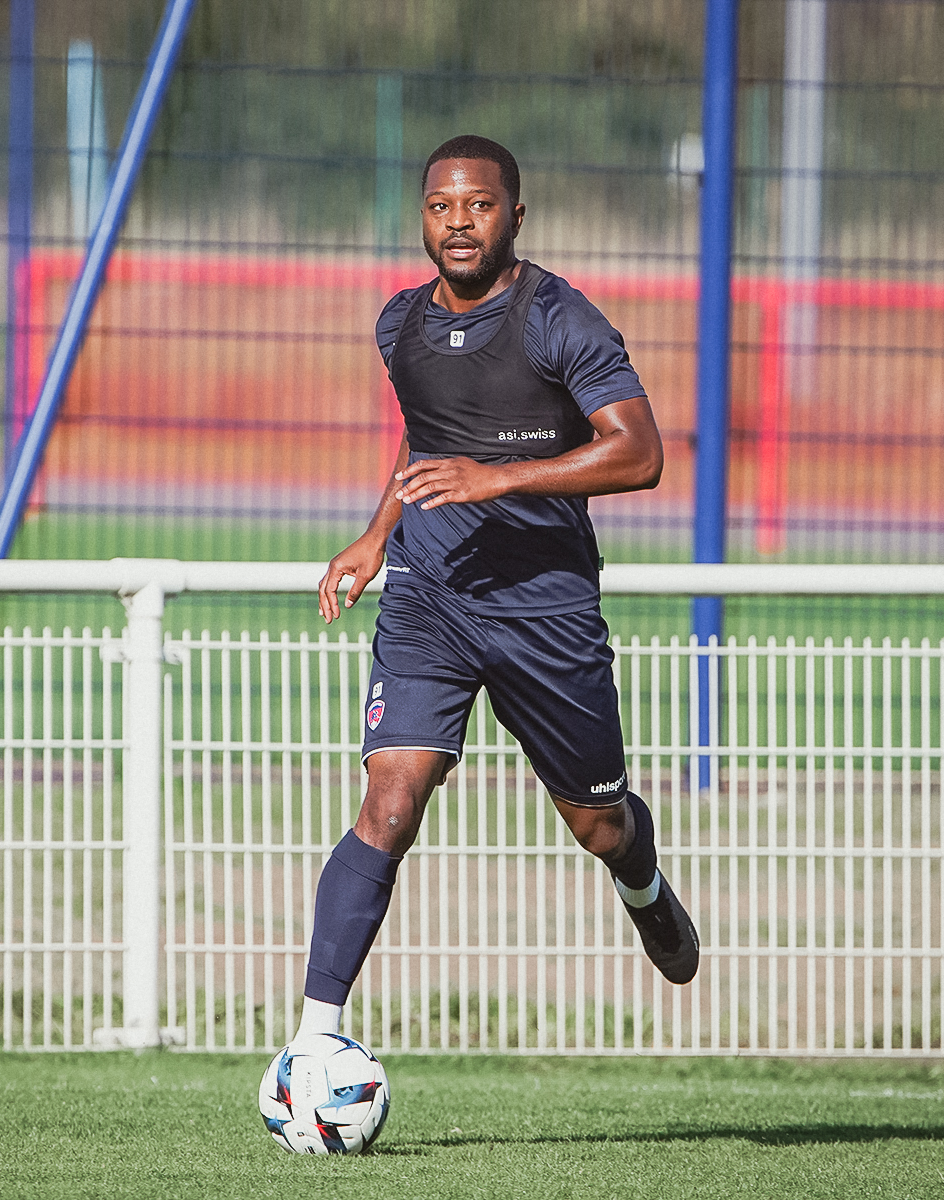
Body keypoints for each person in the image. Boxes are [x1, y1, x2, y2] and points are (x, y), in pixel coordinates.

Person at [299, 134, 699, 1039]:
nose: (458, 223)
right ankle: (314, 1040)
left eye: (478, 205)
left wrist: (498, 476)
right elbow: (429, 437)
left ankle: (643, 885)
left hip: (544, 608)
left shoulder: (562, 319)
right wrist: (375, 535)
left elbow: (641, 454)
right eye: (441, 206)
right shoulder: (398, 324)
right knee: (389, 800)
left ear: (516, 215)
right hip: (430, 597)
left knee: (597, 825)